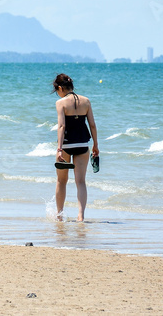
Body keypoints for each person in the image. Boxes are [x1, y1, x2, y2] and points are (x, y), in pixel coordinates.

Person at [52, 73, 98, 221]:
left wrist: (59, 149)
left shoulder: (61, 103)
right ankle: (81, 216)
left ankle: (60, 215)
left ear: (60, 88)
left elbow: (61, 126)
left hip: (66, 145)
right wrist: (96, 145)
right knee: (81, 182)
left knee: (61, 181)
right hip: (83, 144)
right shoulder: (86, 101)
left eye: (57, 91)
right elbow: (92, 125)